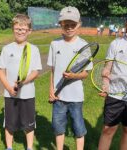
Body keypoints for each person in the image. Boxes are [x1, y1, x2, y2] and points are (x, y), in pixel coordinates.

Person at [47, 6, 92, 150]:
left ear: (79, 24)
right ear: (60, 24)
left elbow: (86, 73)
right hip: (59, 97)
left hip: (76, 97)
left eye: (73, 24)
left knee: (78, 129)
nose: (69, 28)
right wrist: (51, 89)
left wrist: (74, 76)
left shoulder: (84, 45)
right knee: (58, 127)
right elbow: (53, 70)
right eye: (66, 24)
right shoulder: (54, 44)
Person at [0, 14, 42, 150]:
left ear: (29, 31)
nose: (20, 31)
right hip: (10, 94)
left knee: (29, 124)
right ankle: (9, 147)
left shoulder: (34, 49)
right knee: (9, 123)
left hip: (28, 94)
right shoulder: (6, 49)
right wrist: (9, 88)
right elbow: (1, 71)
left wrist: (23, 81)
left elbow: (35, 71)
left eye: (23, 29)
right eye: (17, 28)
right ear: (13, 29)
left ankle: (29, 147)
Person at [98, 8, 127, 150]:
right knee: (108, 129)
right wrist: (105, 83)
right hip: (114, 93)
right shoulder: (116, 44)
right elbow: (107, 69)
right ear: (126, 24)